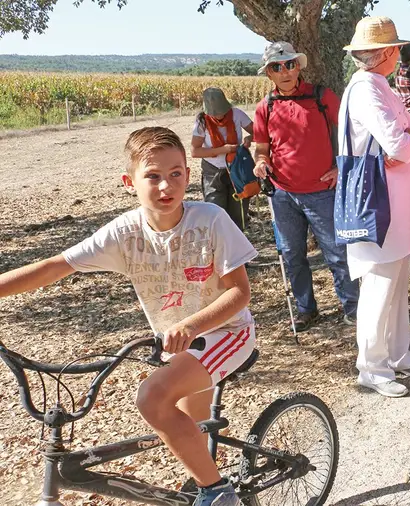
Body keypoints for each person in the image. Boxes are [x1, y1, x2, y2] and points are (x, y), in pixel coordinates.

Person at [0, 127, 257, 506]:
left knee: (152, 398)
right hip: (178, 346)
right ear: (129, 181)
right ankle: (210, 482)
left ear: (187, 174)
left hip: (225, 332)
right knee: (195, 437)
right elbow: (56, 266)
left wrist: (191, 325)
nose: (165, 186)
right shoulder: (125, 232)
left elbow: (239, 293)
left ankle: (220, 494)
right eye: (152, 176)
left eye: (175, 174)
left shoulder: (211, 219)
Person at [340, 16, 410, 398]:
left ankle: (397, 353)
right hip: (379, 205)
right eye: (395, 48)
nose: (398, 53)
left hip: (394, 204)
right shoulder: (367, 90)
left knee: (396, 283)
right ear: (387, 53)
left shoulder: (380, 86)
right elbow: (401, 145)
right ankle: (372, 367)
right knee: (380, 284)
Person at [252, 41, 358, 331]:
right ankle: (305, 310)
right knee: (291, 254)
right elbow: (261, 148)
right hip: (282, 193)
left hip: (322, 191)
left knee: (337, 253)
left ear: (298, 66)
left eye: (289, 64)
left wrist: (340, 167)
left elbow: (352, 134)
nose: (284, 71)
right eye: (277, 67)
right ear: (269, 74)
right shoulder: (266, 107)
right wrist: (261, 162)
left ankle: (353, 308)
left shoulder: (322, 97)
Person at [190, 88, 254, 231]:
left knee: (239, 210)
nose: (219, 116)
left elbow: (258, 132)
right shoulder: (201, 122)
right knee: (215, 211)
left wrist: (250, 138)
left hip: (237, 168)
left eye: (222, 112)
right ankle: (219, 246)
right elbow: (195, 151)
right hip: (213, 172)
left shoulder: (237, 114)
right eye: (215, 114)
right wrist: (222, 150)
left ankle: (238, 244)